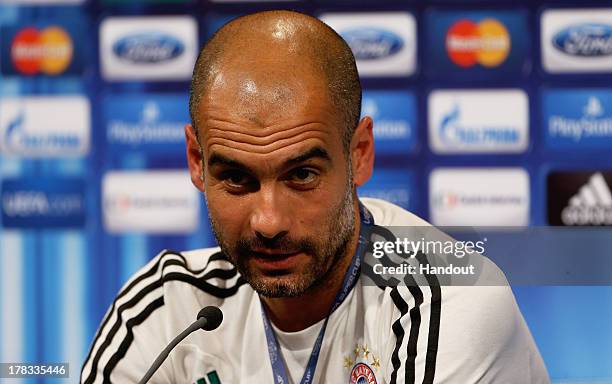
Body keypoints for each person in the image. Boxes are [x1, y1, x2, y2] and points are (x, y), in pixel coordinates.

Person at [81, 10, 550, 384]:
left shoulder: (448, 302)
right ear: (196, 162)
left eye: (302, 175)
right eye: (237, 179)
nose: (267, 221)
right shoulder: (165, 311)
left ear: (359, 155)